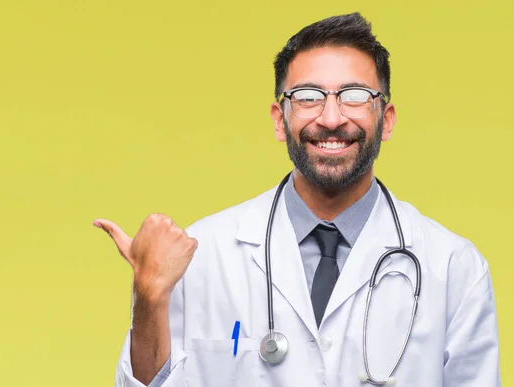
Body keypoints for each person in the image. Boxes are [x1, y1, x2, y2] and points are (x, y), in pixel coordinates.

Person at [93, 12, 501, 387]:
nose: (331, 117)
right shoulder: (202, 255)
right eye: (308, 96)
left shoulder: (454, 269)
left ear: (387, 119)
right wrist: (148, 296)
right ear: (279, 119)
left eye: (355, 95)